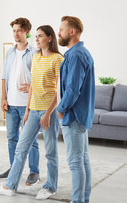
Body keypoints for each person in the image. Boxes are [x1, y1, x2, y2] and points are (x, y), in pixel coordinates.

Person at [0, 25, 63, 200]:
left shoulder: (58, 59)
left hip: (49, 112)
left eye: (40, 36)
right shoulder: (36, 57)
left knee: (51, 151)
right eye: (36, 36)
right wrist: (28, 110)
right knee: (21, 149)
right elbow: (33, 87)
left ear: (49, 38)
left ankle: (51, 186)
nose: (36, 39)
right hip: (33, 110)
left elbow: (58, 91)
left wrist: (47, 113)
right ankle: (10, 185)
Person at [56, 16, 95, 203]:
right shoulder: (79, 53)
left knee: (75, 162)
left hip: (74, 116)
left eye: (61, 29)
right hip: (80, 115)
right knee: (83, 160)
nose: (58, 33)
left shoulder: (76, 55)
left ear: (72, 32)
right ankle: (83, 199)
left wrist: (61, 108)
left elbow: (72, 89)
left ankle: (78, 200)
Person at [0, 17, 40, 186]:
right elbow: (4, 77)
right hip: (11, 104)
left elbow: (40, 77)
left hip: (27, 104)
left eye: (19, 31)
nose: (15, 34)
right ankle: (14, 167)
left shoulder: (35, 53)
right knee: (11, 138)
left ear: (26, 32)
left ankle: (34, 171)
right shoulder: (9, 52)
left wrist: (31, 86)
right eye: (14, 30)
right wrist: (3, 98)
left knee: (31, 140)